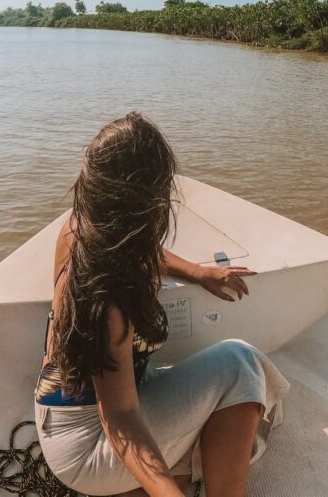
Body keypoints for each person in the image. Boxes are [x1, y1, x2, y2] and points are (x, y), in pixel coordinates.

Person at [34, 112, 289, 497]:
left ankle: (157, 479)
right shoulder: (107, 295)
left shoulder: (80, 228)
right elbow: (119, 419)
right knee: (239, 367)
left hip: (60, 415)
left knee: (239, 375)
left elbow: (144, 251)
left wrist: (198, 273)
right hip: (89, 443)